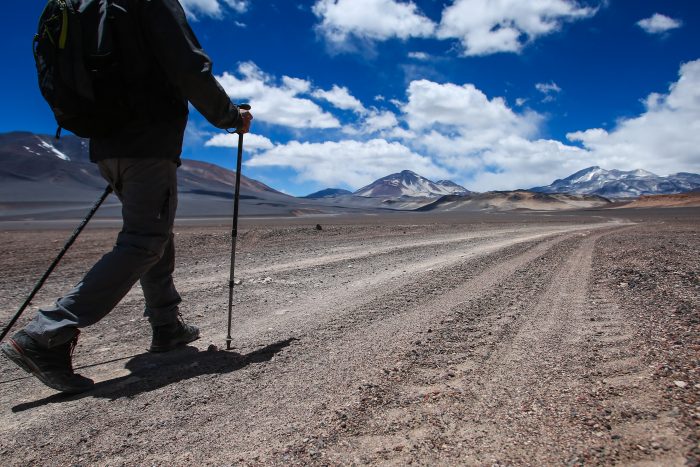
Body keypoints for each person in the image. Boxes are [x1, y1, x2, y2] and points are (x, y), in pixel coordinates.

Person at [0, 0, 252, 393]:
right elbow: (189, 66)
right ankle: (45, 333)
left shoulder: (85, 4)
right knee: (145, 240)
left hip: (107, 143)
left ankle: (166, 325)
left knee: (153, 233)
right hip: (147, 142)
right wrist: (231, 118)